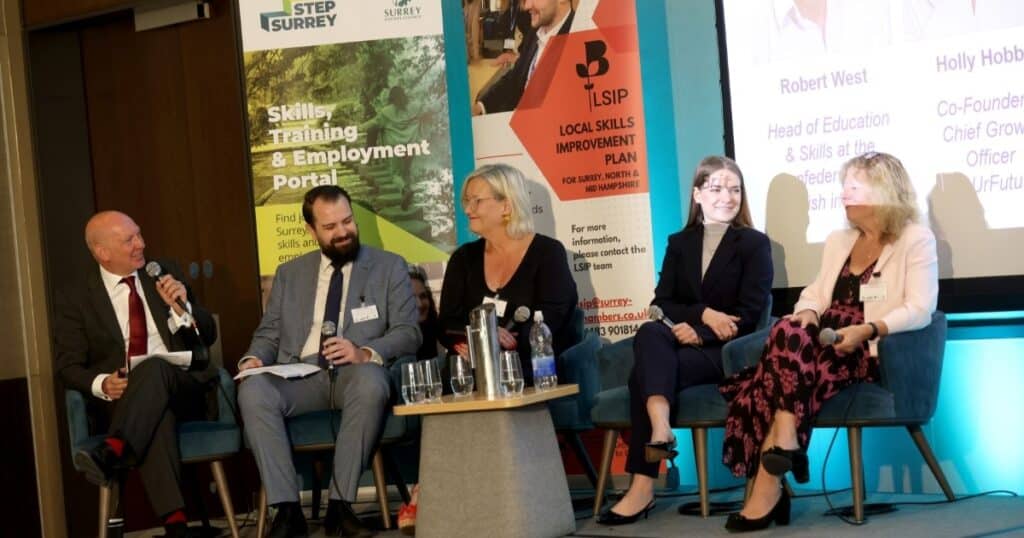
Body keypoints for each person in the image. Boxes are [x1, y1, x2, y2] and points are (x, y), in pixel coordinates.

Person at [719, 152, 938, 532]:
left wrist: (870, 330)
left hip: (864, 347)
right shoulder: (840, 240)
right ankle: (785, 440)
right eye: (844, 187)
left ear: (885, 192)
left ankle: (770, 485)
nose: (844, 195)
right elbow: (816, 293)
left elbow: (921, 308)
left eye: (854, 188)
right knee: (788, 329)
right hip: (820, 340)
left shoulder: (915, 239)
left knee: (769, 375)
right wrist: (807, 312)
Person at [596, 156, 773, 526]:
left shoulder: (754, 244)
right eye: (717, 188)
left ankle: (642, 486)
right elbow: (663, 301)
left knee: (642, 375)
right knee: (649, 331)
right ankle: (661, 427)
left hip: (723, 352)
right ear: (697, 194)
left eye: (735, 189)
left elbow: (752, 313)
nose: (727, 196)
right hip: (678, 343)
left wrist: (703, 332)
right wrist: (704, 314)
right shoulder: (679, 242)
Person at [237, 185, 420, 538]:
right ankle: (287, 511)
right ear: (310, 230)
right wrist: (254, 358)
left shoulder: (389, 266)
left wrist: (364, 353)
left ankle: (341, 507)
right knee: (254, 391)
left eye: (347, 221)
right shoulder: (290, 273)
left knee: (370, 380)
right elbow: (269, 333)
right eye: (330, 226)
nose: (342, 232)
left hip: (357, 373)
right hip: (301, 376)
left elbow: (409, 332)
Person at [55, 211, 218, 538]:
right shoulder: (76, 297)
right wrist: (103, 384)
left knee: (156, 366)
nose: (141, 244)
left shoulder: (163, 272)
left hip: (183, 387)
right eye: (129, 239)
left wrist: (179, 308)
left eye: (139, 235)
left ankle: (113, 449)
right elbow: (67, 365)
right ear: (103, 253)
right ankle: (176, 526)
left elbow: (208, 336)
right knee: (156, 411)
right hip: (127, 401)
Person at [439, 163, 578, 387]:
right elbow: (446, 323)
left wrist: (503, 341)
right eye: (467, 201)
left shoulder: (547, 253)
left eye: (477, 201)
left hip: (529, 370)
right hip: (471, 372)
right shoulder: (463, 259)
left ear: (506, 205)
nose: (467, 210)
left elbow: (554, 317)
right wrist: (481, 336)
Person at [473, 0, 574, 115]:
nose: (526, 6)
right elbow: (515, 77)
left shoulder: (582, 41)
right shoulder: (535, 32)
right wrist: (481, 106)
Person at [408, 265, 442, 361]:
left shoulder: (441, 336)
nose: (419, 304)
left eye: (423, 296)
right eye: (411, 298)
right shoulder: (390, 346)